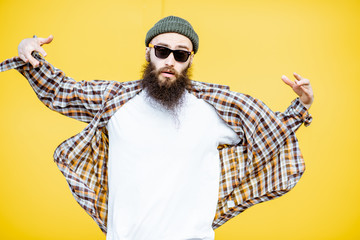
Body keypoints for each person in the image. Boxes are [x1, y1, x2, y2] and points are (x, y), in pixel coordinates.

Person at [0, 16, 313, 240]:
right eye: (162, 51)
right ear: (148, 51)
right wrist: (30, 51)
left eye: (180, 54)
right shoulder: (115, 100)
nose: (170, 60)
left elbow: (270, 134)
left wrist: (301, 106)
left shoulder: (215, 110)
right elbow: (62, 90)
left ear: (189, 60)